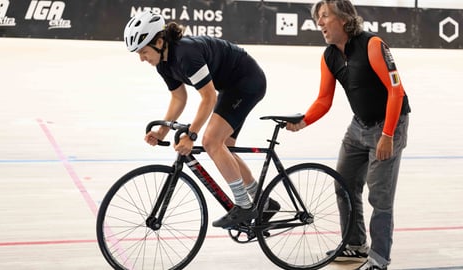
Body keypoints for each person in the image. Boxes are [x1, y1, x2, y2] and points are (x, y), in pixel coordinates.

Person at [124, 11, 279, 229]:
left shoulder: (186, 54)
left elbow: (208, 97)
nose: (142, 58)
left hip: (247, 82)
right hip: (231, 86)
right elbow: (179, 98)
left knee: (210, 141)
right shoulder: (163, 64)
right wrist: (162, 132)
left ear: (159, 42)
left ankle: (244, 206)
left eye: (143, 51)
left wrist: (191, 135)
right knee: (225, 148)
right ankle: (265, 203)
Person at [286, 1, 411, 269]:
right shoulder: (329, 55)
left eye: (324, 16)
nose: (319, 23)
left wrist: (387, 135)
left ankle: (379, 258)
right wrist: (303, 121)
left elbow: (396, 92)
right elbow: (323, 100)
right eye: (317, 18)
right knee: (344, 184)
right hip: (359, 126)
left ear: (343, 18)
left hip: (389, 125)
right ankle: (354, 245)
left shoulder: (373, 45)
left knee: (380, 197)